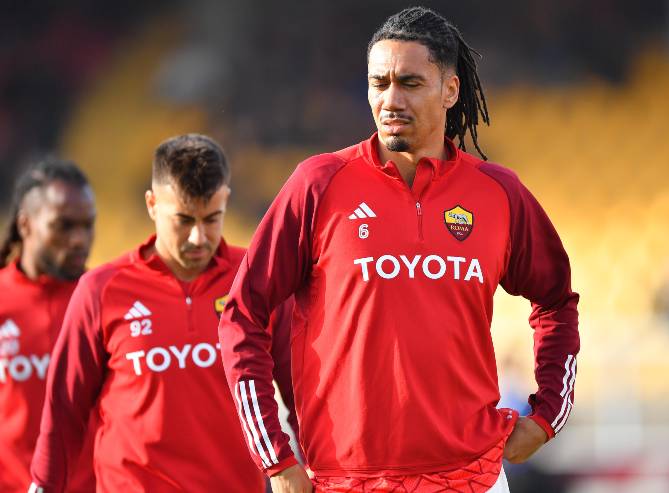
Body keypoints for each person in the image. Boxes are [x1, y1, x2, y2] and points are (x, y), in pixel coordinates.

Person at [219, 7, 580, 493]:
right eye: (379, 83)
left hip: (473, 478)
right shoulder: (318, 184)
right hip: (346, 481)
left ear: (450, 90)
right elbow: (242, 314)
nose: (390, 100)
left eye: (410, 83)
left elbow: (556, 301)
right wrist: (276, 460)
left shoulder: (498, 193)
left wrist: (547, 414)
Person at [29, 134, 296, 492]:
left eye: (211, 219)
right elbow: (65, 410)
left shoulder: (256, 278)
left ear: (226, 200)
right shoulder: (101, 290)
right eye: (184, 220)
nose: (199, 237)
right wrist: (44, 485)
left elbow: (300, 389)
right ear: (152, 204)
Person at [0, 159, 96, 493]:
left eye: (87, 225)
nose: (79, 240)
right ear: (25, 224)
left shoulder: (107, 300)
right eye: (63, 226)